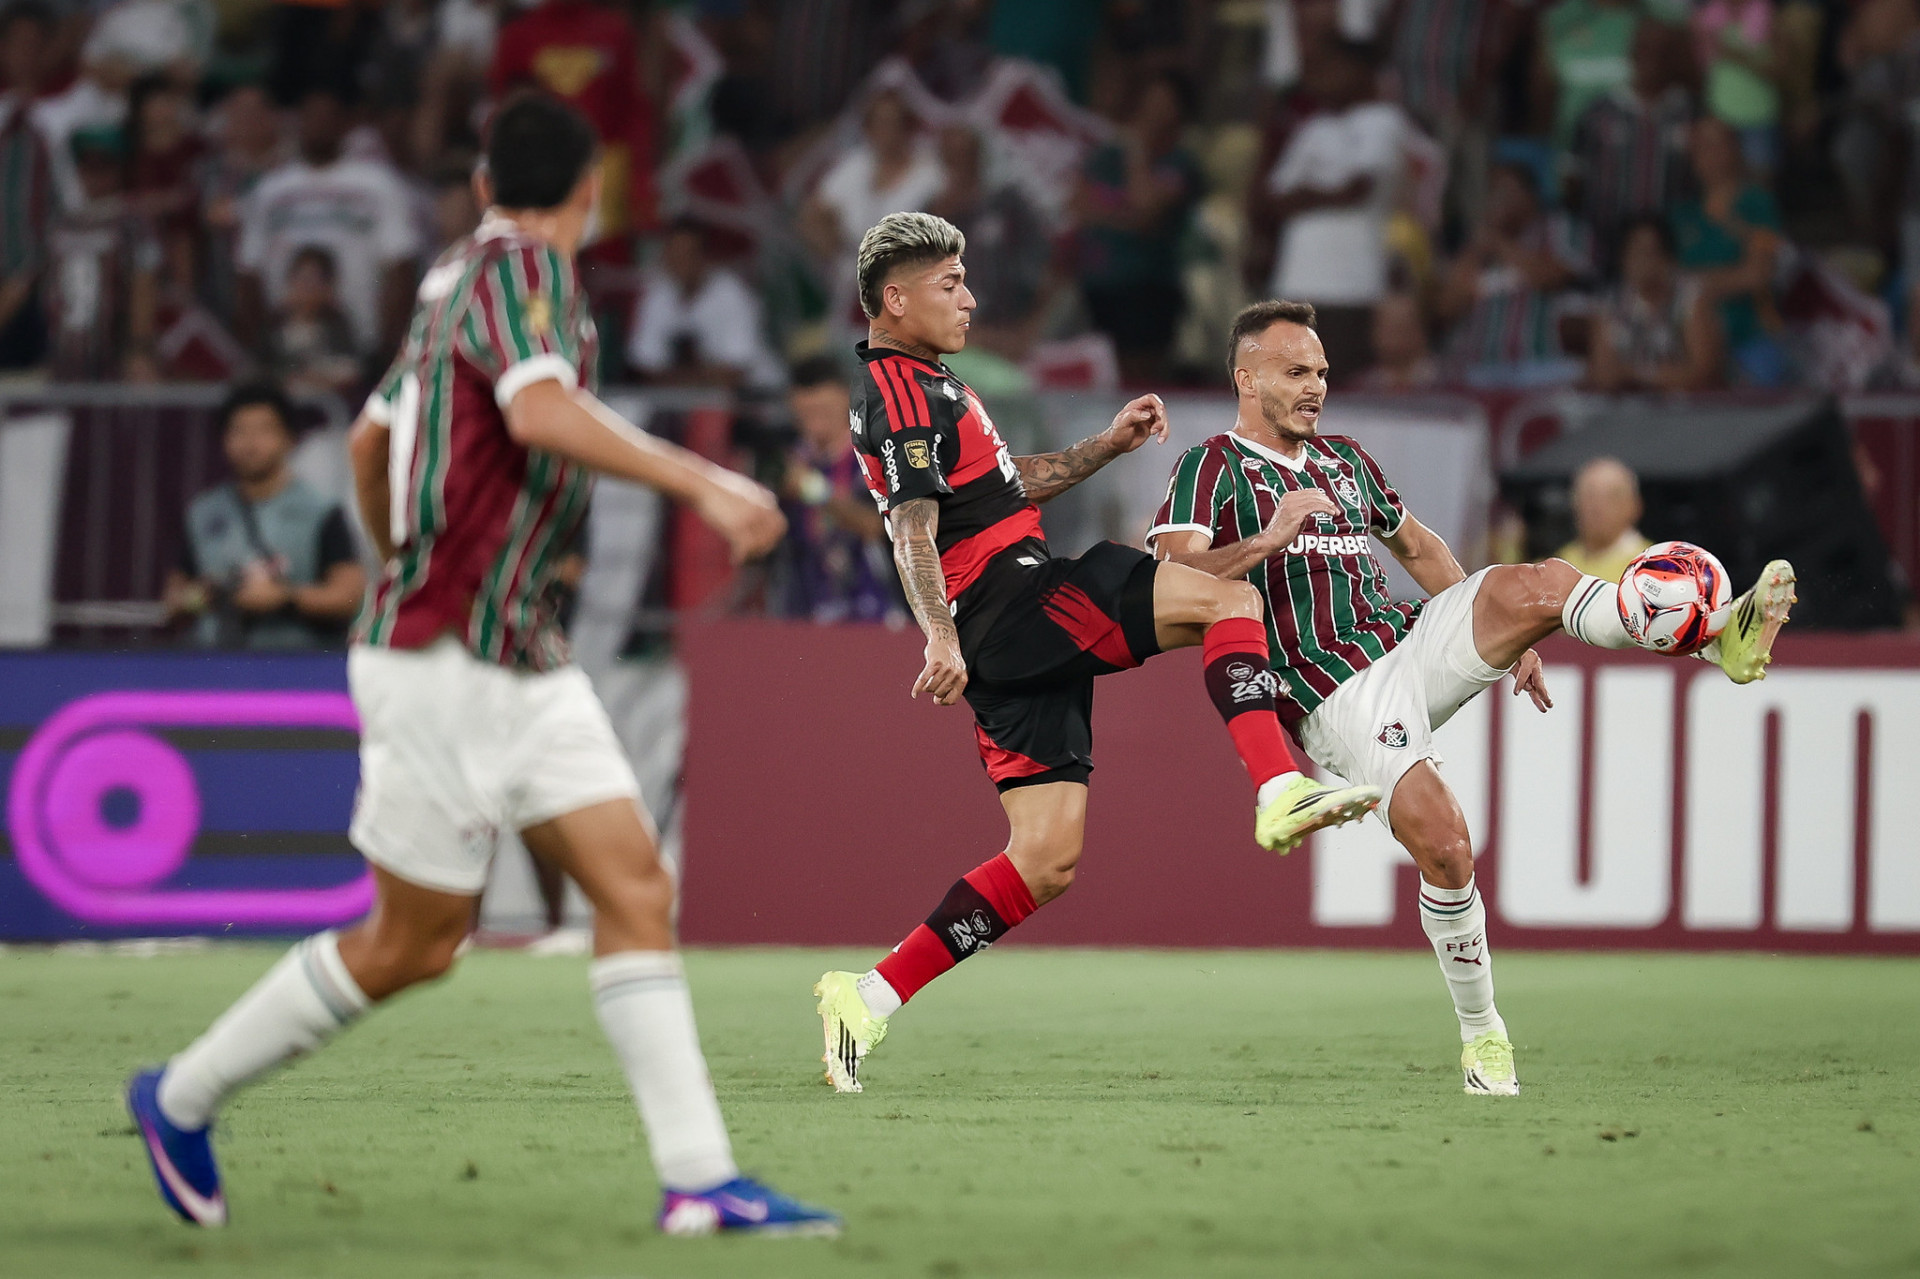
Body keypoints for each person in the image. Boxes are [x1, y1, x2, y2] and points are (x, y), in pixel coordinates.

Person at [126, 92, 837, 1238]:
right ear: (592, 190)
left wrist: (395, 543)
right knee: (413, 944)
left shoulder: (451, 279)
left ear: (479, 180)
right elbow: (544, 412)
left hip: (518, 654)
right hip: (449, 653)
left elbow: (369, 440)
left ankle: (700, 1180)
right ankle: (182, 1093)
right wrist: (705, 481)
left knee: (633, 885)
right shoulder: (524, 271)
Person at [1149, 299, 1797, 1096]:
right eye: (1295, 372)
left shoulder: (1346, 459)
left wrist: (1500, 632)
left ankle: (1712, 637)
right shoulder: (1207, 467)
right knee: (1448, 844)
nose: (1316, 386)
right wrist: (1269, 539)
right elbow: (1172, 587)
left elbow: (1416, 546)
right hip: (1336, 691)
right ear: (1246, 378)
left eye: (1321, 371)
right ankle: (1484, 1035)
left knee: (1538, 582)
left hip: (1410, 639)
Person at [811, 213, 1383, 1095]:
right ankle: (1279, 788)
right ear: (897, 298)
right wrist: (938, 632)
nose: (970, 298)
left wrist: (1105, 447)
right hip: (1008, 605)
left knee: (1045, 860)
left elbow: (1002, 488)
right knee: (1227, 597)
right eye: (950, 284)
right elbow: (911, 526)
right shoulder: (894, 388)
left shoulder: (933, 384)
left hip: (1008, 627)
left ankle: (869, 994)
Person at [164, 381, 366, 647]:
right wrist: (203, 597)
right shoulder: (204, 513)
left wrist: (285, 598)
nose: (250, 443)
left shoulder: (320, 510)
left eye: (263, 430)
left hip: (296, 663)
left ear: (289, 438)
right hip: (214, 662)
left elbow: (351, 596)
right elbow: (172, 602)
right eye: (239, 431)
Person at [236, 88, 420, 360]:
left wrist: (387, 344)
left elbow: (401, 264)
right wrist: (258, 346)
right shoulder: (269, 190)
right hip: (283, 343)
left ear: (345, 124)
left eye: (327, 116)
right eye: (311, 116)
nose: (318, 125)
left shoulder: (378, 184)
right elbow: (248, 270)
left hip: (359, 341)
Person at [1265, 39, 1406, 382]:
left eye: (1332, 69)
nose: (1321, 79)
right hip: (1297, 278)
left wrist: (1307, 194)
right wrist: (1324, 194)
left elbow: (1357, 190)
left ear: (1363, 72)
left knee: (1340, 384)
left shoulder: (1383, 120)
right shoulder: (1313, 126)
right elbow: (1275, 199)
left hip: (1353, 281)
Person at [1072, 70, 1201, 382]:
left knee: (1141, 381)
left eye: (1164, 103)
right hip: (1097, 286)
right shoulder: (1104, 159)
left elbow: (1146, 209)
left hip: (1147, 288)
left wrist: (1136, 153)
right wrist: (1127, 218)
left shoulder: (1179, 164)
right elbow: (1078, 207)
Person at [773, 355, 901, 623]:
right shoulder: (789, 462)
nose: (814, 422)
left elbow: (874, 525)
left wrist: (812, 489)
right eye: (806, 413)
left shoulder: (876, 455)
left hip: (872, 611)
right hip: (803, 609)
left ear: (846, 400)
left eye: (823, 412)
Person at [1440, 161, 1592, 384]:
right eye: (1492, 191)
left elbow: (1550, 277)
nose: (1497, 199)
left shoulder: (1561, 229)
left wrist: (1500, 245)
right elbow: (1447, 307)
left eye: (1505, 190)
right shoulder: (1479, 247)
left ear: (1530, 195)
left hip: (1542, 364)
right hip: (1478, 367)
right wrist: (1475, 252)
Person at [1670, 116, 1787, 386]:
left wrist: (1696, 284)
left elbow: (1757, 274)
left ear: (1734, 148)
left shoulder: (1757, 204)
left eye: (1715, 145)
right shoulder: (1682, 215)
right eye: (1700, 147)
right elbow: (1669, 279)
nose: (1708, 155)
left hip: (1750, 336)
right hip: (1694, 340)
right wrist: (1725, 279)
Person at [44, 126, 161, 382]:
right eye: (87, 166)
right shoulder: (61, 221)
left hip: (115, 356)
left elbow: (145, 282)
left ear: (121, 169)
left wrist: (140, 348)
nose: (95, 175)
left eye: (105, 166)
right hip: (64, 354)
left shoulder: (135, 221)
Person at [625, 219, 783, 390]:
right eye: (674, 253)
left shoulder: (731, 293)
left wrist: (676, 377)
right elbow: (645, 368)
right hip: (681, 399)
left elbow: (735, 371)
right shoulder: (657, 294)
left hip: (755, 395)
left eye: (687, 254)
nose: (679, 262)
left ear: (704, 257)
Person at [1587, 215, 1725, 392]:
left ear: (1667, 258)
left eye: (1650, 252)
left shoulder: (1690, 296)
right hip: (1632, 409)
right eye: (1635, 252)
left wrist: (1637, 373)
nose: (1642, 262)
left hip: (1691, 407)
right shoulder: (1610, 302)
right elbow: (1603, 372)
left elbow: (1703, 372)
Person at [0, 0, 56, 371]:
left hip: (32, 299)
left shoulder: (57, 121)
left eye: (37, 44)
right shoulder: (9, 119)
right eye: (18, 42)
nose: (27, 54)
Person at [265, 244, 361, 394]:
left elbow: (352, 368)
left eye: (315, 281)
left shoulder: (338, 325)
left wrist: (316, 377)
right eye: (302, 279)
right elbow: (264, 370)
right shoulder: (273, 326)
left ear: (328, 287)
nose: (307, 289)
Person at [1553, 456, 1654, 581]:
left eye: (1611, 497)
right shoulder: (1557, 564)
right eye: (1589, 496)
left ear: (1635, 506)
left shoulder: (1651, 567)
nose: (1597, 507)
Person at [1355, 293, 1440, 390]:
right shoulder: (1359, 388)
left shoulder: (1448, 385)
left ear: (1422, 331)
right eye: (1388, 328)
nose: (1395, 336)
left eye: (1402, 327)